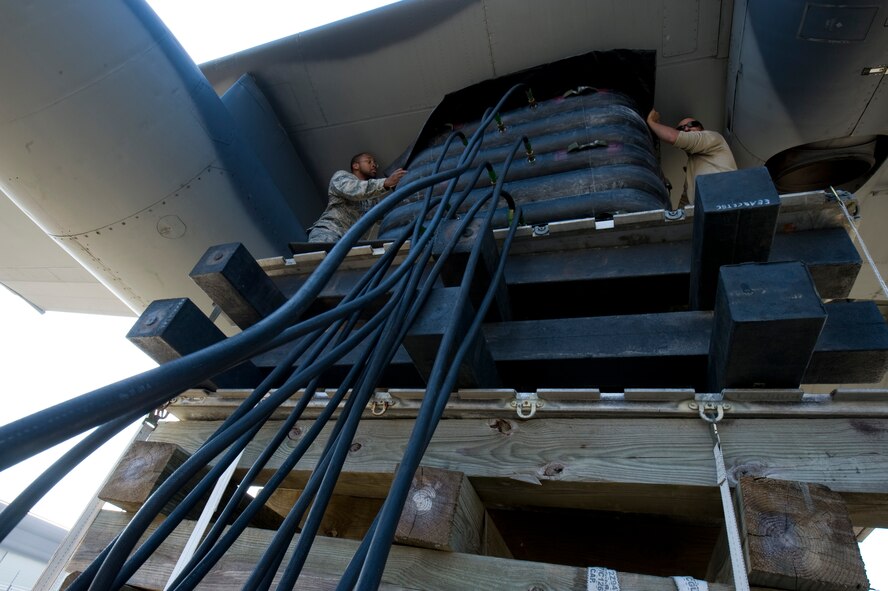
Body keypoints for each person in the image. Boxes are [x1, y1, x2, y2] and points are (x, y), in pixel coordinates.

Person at [307, 153, 407, 242]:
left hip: (349, 244)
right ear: (355, 165)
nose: (374, 165)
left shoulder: (373, 199)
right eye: (369, 161)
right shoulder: (341, 176)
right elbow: (354, 190)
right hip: (330, 233)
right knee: (320, 262)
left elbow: (382, 220)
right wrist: (385, 183)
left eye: (375, 163)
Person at [646, 110, 737, 208]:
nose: (686, 128)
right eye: (681, 128)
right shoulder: (691, 172)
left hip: (727, 204)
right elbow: (684, 205)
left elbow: (672, 137)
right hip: (710, 212)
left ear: (702, 129)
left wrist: (651, 122)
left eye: (691, 124)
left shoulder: (712, 137)